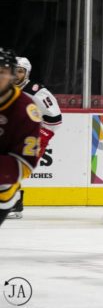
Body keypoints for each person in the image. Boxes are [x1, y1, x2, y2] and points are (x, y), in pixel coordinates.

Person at [6, 57, 63, 219]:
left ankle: (14, 202)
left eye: (20, 71)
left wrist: (41, 136)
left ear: (27, 73)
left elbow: (55, 118)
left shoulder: (37, 91)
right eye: (14, 70)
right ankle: (12, 200)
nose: (16, 74)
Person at [0, 48, 42, 227]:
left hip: (2, 189)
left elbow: (24, 164)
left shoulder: (26, 110)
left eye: (2, 72)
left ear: (11, 76)